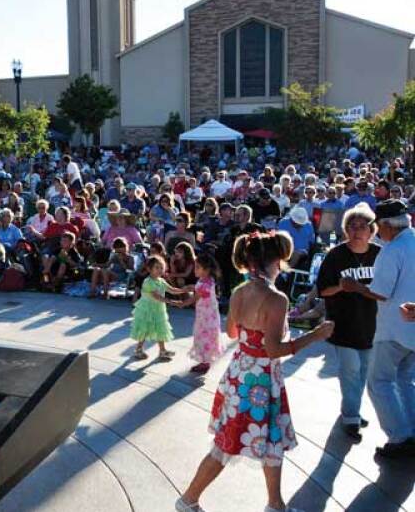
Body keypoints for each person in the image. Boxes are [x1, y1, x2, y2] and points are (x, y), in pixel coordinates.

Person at [176, 231, 335, 512]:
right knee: (231, 445)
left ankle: (275, 505)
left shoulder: (239, 292)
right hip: (260, 379)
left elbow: (232, 331)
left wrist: (254, 333)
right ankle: (189, 499)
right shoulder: (276, 298)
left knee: (254, 442)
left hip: (240, 371)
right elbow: (274, 349)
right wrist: (315, 335)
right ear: (273, 262)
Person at [339, 199, 415, 458]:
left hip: (394, 328)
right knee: (406, 379)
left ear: (385, 225)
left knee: (379, 382)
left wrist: (355, 287)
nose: (376, 232)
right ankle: (411, 431)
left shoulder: (392, 251)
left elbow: (382, 293)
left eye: (376, 226)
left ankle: (400, 437)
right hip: (410, 328)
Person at [315, 203, 380, 440]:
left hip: (372, 324)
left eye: (363, 226)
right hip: (343, 323)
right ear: (346, 229)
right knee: (350, 371)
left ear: (371, 230)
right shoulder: (336, 255)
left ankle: (352, 409)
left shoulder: (379, 254)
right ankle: (351, 417)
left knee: (363, 372)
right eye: (352, 226)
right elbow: (323, 290)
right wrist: (341, 286)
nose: (357, 231)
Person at [130, 255, 184, 360]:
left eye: (161, 267)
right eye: (157, 267)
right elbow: (157, 296)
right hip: (147, 309)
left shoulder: (161, 281)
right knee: (144, 330)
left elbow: (171, 289)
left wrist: (184, 290)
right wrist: (172, 302)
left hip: (158, 309)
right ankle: (138, 349)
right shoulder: (148, 282)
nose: (160, 270)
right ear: (149, 269)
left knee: (161, 329)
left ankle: (162, 351)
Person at [180, 254, 225, 374]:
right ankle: (205, 361)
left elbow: (195, 297)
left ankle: (205, 362)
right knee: (204, 337)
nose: (195, 269)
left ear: (207, 270)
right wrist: (187, 288)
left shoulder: (206, 284)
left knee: (204, 338)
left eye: (198, 267)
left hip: (207, 319)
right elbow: (196, 288)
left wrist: (183, 303)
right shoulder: (206, 280)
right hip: (205, 316)